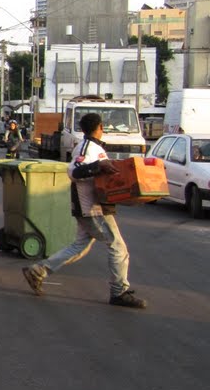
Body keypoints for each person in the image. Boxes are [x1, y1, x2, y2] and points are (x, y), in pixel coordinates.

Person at [22, 113, 146, 308]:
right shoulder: (87, 148)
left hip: (92, 206)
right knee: (118, 247)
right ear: (100, 127)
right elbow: (74, 171)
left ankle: (38, 270)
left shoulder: (94, 147)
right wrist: (98, 166)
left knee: (79, 247)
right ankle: (119, 291)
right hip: (92, 209)